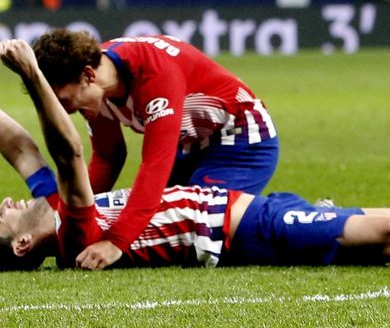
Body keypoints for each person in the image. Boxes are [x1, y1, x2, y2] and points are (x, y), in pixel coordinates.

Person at [0, 44, 390, 271]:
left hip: (229, 205)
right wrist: (36, 77)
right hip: (231, 228)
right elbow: (67, 150)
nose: (6, 204)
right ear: (21, 247)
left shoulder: (51, 207)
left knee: (387, 233)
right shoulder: (74, 234)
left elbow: (19, 146)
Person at [30, 28, 281, 270]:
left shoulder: (155, 75)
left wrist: (116, 242)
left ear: (88, 76)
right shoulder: (94, 85)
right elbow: (108, 157)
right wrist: (70, 220)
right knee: (155, 222)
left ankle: (301, 217)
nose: (64, 112)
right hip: (190, 145)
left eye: (63, 101)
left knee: (198, 226)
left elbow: (155, 165)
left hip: (241, 141)